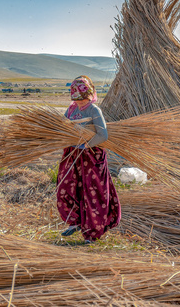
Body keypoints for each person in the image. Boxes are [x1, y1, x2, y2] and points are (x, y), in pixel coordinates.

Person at [56, 75, 121, 243]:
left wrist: (86, 146)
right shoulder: (70, 110)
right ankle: (74, 221)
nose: (80, 103)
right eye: (77, 99)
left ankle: (92, 232)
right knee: (66, 187)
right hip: (72, 156)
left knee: (92, 193)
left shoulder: (94, 110)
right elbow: (62, 127)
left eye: (83, 99)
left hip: (91, 156)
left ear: (90, 95)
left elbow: (103, 135)